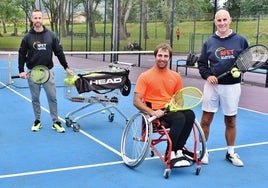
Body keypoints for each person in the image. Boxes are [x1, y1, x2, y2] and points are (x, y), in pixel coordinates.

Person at [197, 9, 249, 167]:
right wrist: (208, 75)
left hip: (232, 87)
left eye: (224, 19)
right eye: (219, 20)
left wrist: (241, 70)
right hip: (212, 86)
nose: (222, 23)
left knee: (231, 121)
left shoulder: (241, 40)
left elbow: (248, 61)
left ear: (230, 20)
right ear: (215, 22)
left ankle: (231, 153)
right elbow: (201, 64)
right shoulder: (209, 42)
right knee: (206, 120)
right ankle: (203, 151)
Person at [133, 43, 195, 167]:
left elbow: (179, 100)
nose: (162, 58)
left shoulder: (176, 76)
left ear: (169, 58)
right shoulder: (145, 76)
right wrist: (152, 112)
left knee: (190, 114)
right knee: (179, 118)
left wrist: (176, 106)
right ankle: (169, 153)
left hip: (170, 110)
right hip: (155, 113)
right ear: (155, 56)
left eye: (165, 56)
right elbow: (136, 101)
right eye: (160, 55)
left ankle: (178, 150)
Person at [18, 9, 73, 133]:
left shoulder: (51, 35)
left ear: (43, 19)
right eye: (35, 18)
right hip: (33, 72)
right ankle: (37, 120)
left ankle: (55, 122)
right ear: (32, 19)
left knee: (52, 97)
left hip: (48, 72)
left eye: (39, 18)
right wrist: (21, 70)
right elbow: (22, 54)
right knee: (35, 98)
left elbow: (59, 52)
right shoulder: (27, 37)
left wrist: (66, 67)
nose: (37, 20)